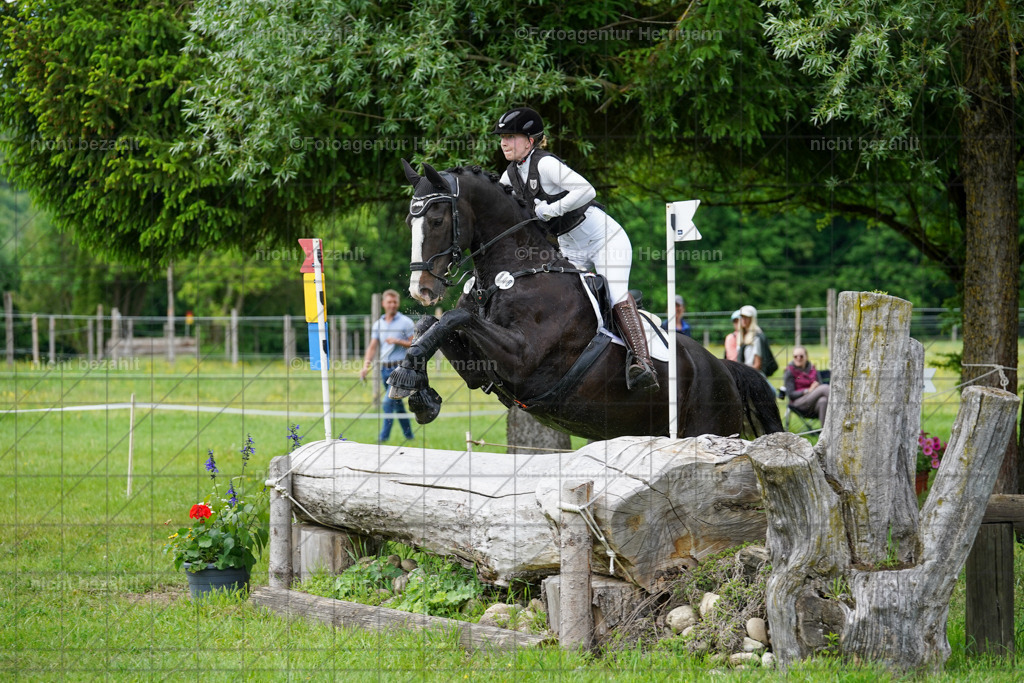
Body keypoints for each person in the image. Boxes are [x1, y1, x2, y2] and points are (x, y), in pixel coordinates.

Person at [493, 106, 658, 393]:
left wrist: (550, 209)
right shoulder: (509, 177)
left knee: (615, 294)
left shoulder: (545, 164)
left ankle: (643, 363)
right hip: (570, 246)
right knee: (562, 300)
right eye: (502, 137)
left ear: (530, 140)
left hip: (604, 239)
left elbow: (587, 190)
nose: (503, 143)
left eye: (510, 136)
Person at [360, 289, 416, 442]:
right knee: (397, 404)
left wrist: (398, 341)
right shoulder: (378, 324)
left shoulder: (406, 322)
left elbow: (414, 344)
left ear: (398, 303)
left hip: (400, 369)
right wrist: (365, 366)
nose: (392, 305)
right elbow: (372, 346)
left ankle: (382, 438)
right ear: (383, 303)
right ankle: (409, 435)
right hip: (384, 369)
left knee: (387, 402)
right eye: (389, 302)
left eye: (395, 302)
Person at [783, 346, 830, 422]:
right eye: (795, 356)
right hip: (798, 403)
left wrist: (815, 388)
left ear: (806, 356)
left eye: (801, 356)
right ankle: (844, 407)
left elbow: (820, 384)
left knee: (823, 401)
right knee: (824, 388)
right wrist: (808, 390)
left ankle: (825, 432)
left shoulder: (813, 368)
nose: (798, 358)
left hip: (813, 403)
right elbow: (791, 394)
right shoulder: (789, 371)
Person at [737, 305, 765, 373]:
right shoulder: (741, 336)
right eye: (742, 317)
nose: (743, 320)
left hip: (753, 374)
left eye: (746, 317)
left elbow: (757, 364)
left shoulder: (756, 337)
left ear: (752, 319)